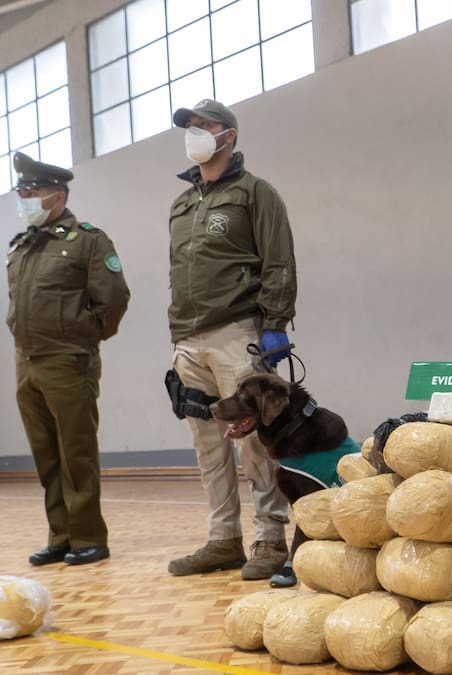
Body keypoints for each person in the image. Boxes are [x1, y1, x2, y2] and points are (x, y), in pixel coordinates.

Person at [165, 98, 296, 579]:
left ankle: (270, 539)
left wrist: (275, 322)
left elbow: (278, 260)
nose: (194, 132)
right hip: (188, 338)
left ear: (229, 135)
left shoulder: (255, 193)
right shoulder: (182, 204)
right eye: (189, 126)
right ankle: (223, 540)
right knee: (207, 444)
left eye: (204, 125)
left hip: (237, 330)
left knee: (254, 442)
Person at [6, 152, 131, 566]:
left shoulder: (87, 241)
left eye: (32, 193)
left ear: (56, 196)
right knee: (46, 455)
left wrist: (82, 338)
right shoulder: (22, 246)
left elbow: (114, 299)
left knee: (76, 453)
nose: (24, 199)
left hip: (68, 361)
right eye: (22, 192)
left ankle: (88, 538)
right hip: (27, 362)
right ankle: (60, 536)